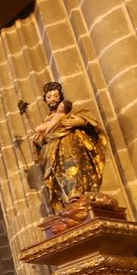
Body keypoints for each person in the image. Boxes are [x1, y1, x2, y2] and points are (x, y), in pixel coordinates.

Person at [31, 81, 105, 214]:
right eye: (49, 97)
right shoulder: (47, 121)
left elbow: (89, 119)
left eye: (55, 95)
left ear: (61, 98)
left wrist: (81, 121)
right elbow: (42, 137)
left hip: (71, 144)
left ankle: (78, 196)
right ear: (45, 100)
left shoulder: (72, 113)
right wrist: (39, 140)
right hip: (53, 151)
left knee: (73, 166)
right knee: (60, 175)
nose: (52, 99)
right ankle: (68, 200)